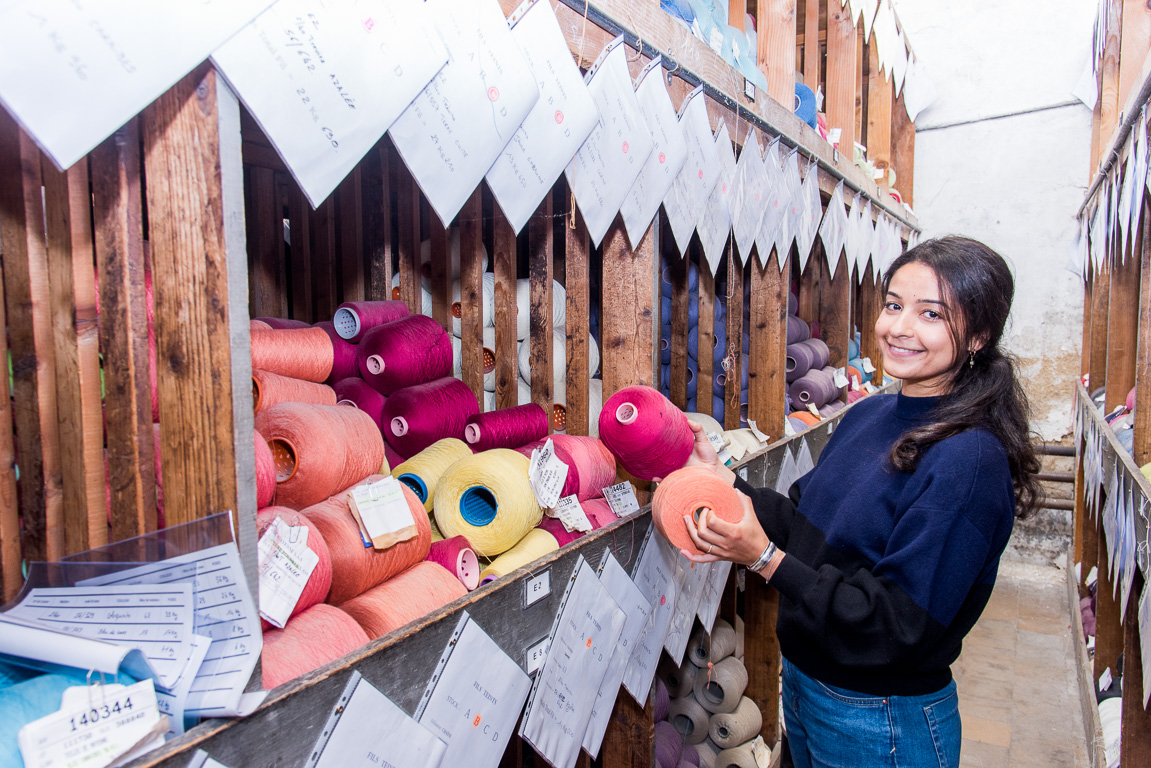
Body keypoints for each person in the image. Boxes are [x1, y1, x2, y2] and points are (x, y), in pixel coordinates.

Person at [679, 237, 1042, 768]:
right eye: (894, 305)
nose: (898, 327)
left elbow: (900, 623)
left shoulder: (969, 459)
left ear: (979, 335)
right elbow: (805, 526)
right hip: (807, 688)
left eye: (931, 314)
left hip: (880, 718)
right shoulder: (871, 416)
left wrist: (764, 560)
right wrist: (723, 482)